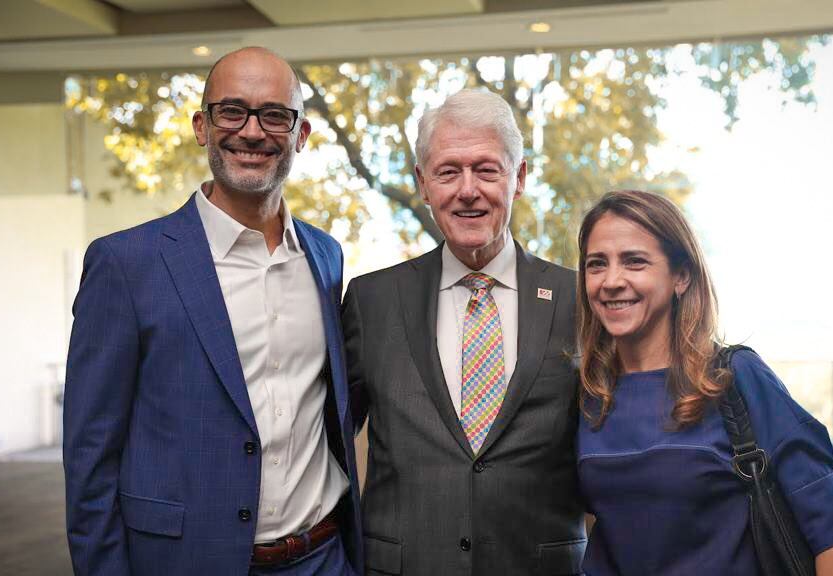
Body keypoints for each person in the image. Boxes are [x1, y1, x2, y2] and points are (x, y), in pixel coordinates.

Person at [63, 47, 363, 576]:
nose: (252, 132)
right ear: (203, 126)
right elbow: (91, 458)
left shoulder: (325, 258)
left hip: (323, 558)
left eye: (275, 115)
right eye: (232, 111)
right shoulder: (126, 265)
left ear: (301, 136)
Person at [342, 89, 587, 575]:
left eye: (487, 169)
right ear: (422, 183)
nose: (467, 189)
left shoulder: (579, 301)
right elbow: (323, 445)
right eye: (448, 171)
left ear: (518, 178)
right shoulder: (371, 302)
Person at [575, 190, 833, 575]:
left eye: (635, 262)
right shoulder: (587, 392)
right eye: (597, 264)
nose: (612, 281)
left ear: (681, 276)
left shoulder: (734, 378)